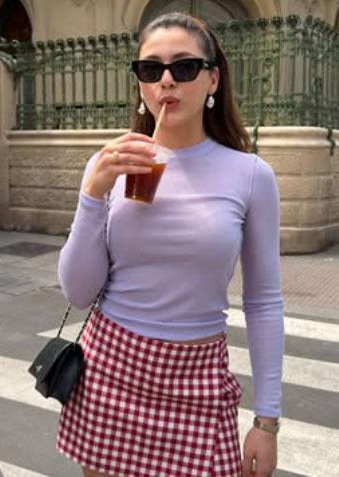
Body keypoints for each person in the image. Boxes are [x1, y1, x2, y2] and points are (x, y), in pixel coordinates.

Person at [56, 12, 283, 477]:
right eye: (150, 68)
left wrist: (267, 421)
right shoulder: (109, 164)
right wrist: (93, 193)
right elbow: (78, 293)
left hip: (198, 379)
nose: (166, 81)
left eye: (184, 67)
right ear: (140, 83)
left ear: (212, 79)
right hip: (110, 372)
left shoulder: (250, 176)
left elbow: (263, 302)